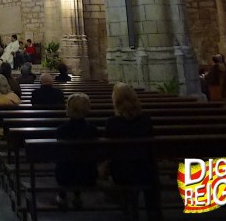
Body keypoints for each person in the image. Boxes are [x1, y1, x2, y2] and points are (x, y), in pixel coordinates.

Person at [105, 82, 159, 217]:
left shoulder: (112, 123)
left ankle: (129, 210)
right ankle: (153, 213)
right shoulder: (146, 120)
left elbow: (109, 150)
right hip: (146, 170)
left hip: (122, 172)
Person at [55, 93, 98, 209]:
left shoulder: (61, 130)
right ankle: (76, 195)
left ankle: (62, 196)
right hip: (88, 173)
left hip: (65, 175)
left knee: (65, 161)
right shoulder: (92, 130)